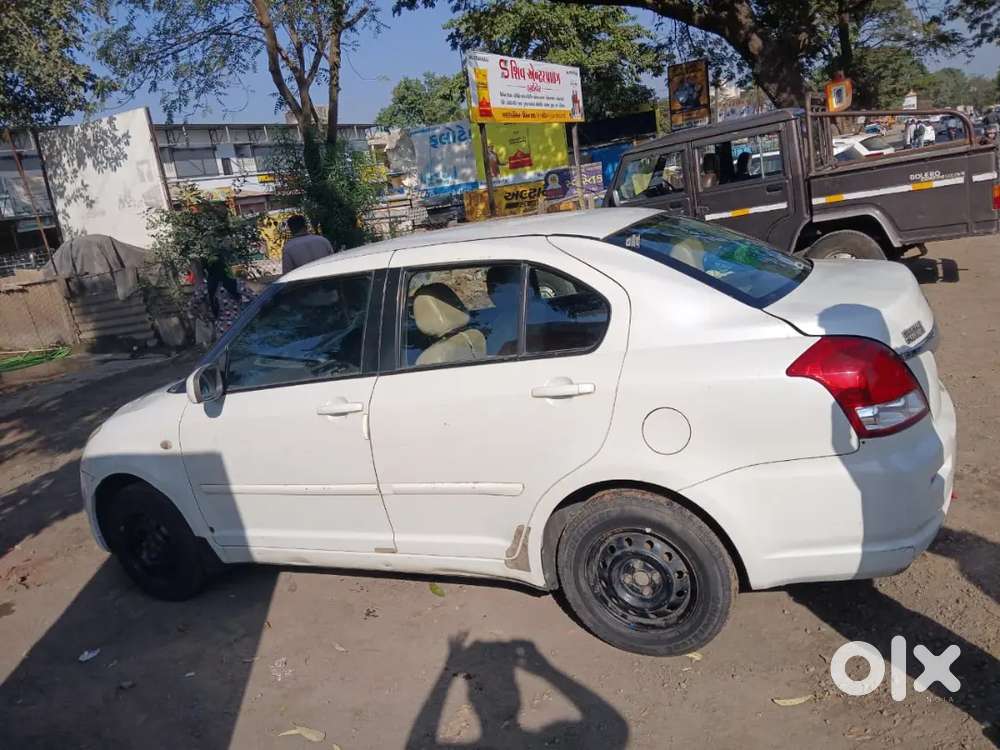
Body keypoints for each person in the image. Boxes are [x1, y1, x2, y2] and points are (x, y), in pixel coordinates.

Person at [189, 257, 257, 342]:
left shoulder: (205, 286)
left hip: (223, 331)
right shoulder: (236, 282)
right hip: (241, 326)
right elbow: (255, 299)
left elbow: (191, 306)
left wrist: (205, 317)